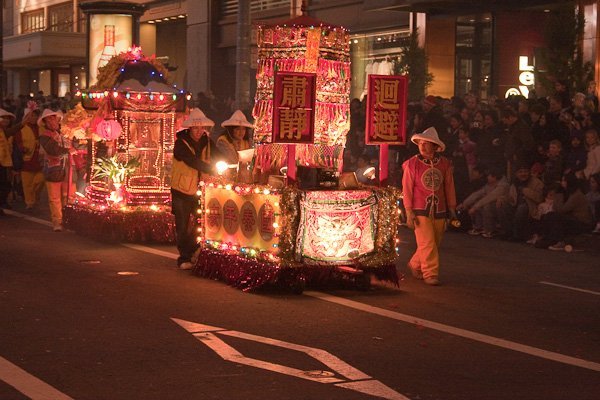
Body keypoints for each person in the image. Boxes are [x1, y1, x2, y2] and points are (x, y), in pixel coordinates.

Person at [402, 127, 457, 286]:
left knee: (434, 242)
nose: (423, 146)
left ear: (435, 146)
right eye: (421, 143)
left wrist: (452, 208)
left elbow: (449, 187)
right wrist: (408, 210)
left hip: (440, 209)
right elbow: (407, 188)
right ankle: (430, 273)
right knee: (427, 243)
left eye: (427, 144)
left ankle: (415, 263)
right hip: (420, 208)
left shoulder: (444, 164)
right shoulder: (412, 164)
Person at [171, 108, 216, 270]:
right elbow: (191, 161)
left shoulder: (208, 142)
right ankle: (184, 257)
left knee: (201, 223)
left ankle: (192, 252)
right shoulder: (180, 143)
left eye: (201, 128)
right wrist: (210, 169)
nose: (198, 131)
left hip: (201, 191)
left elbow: (219, 155)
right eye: (195, 128)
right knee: (182, 226)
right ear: (189, 128)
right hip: (181, 191)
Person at [38, 109, 75, 231]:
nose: (53, 121)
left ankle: (68, 219)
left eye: (54, 118)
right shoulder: (44, 136)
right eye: (49, 119)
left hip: (68, 167)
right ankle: (57, 221)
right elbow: (52, 150)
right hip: (53, 169)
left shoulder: (63, 133)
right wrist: (67, 151)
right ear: (45, 122)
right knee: (54, 198)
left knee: (68, 195)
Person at [458, 169, 508, 238]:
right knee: (478, 203)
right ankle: (480, 227)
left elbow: (489, 197)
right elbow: (477, 194)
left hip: (504, 207)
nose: (487, 177)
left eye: (489, 176)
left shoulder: (503, 186)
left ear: (494, 177)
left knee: (486, 205)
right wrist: (464, 204)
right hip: (495, 206)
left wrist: (474, 208)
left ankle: (492, 230)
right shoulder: (489, 185)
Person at [14, 106, 44, 209]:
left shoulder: (41, 127)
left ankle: (35, 197)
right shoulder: (21, 128)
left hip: (39, 159)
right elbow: (18, 142)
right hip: (26, 159)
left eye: (35, 115)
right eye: (31, 116)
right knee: (27, 184)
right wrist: (22, 148)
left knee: (40, 180)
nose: (33, 118)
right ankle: (29, 202)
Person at [216, 110, 253, 182]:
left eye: (243, 129)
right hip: (227, 178)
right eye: (238, 129)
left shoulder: (247, 142)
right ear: (231, 130)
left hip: (243, 178)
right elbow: (233, 159)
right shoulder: (223, 141)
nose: (241, 132)